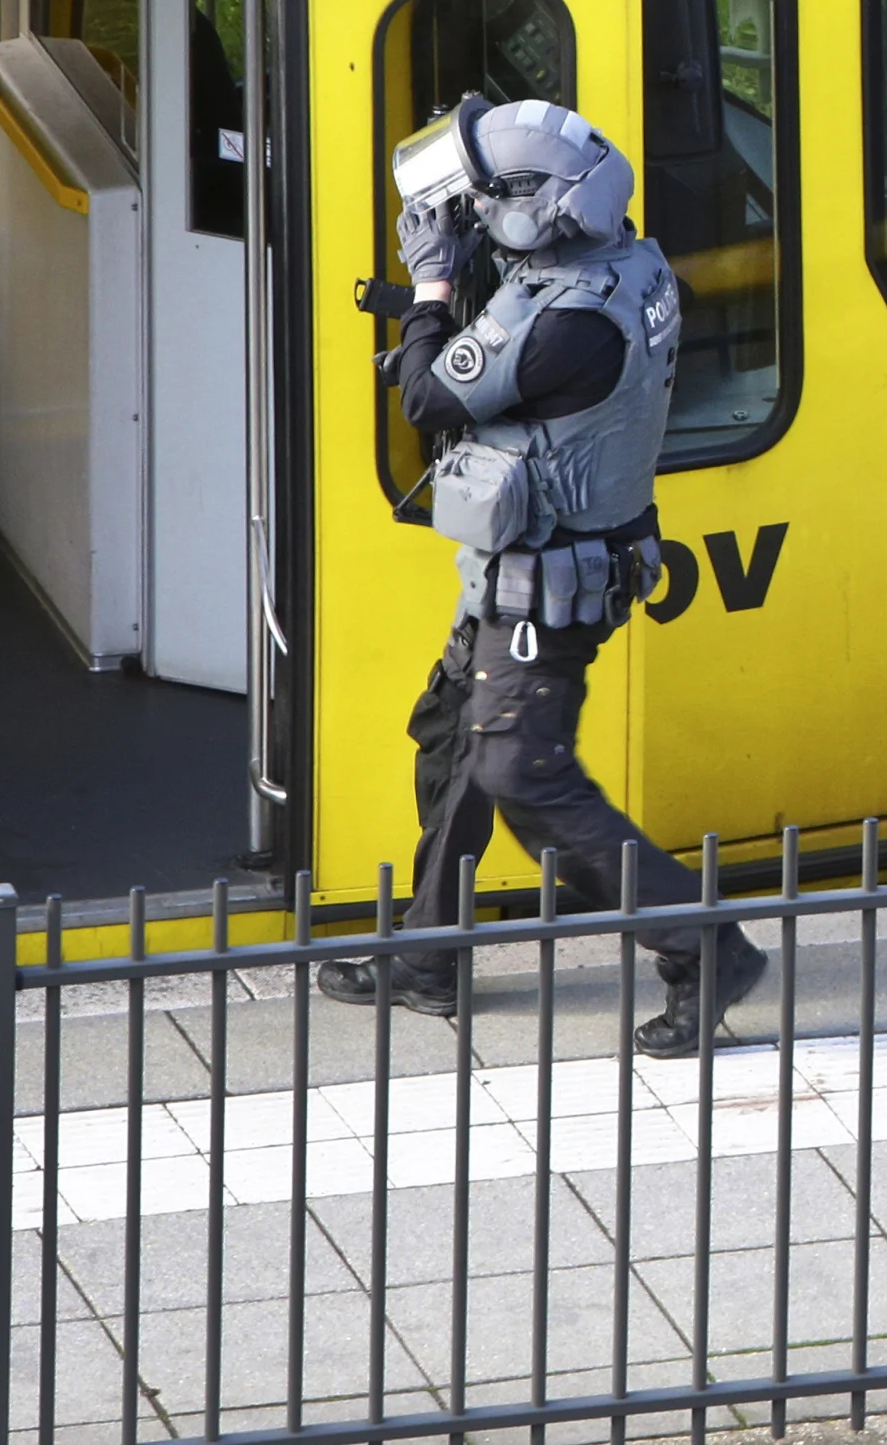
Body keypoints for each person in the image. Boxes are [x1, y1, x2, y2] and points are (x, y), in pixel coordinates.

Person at [318, 96, 766, 1058]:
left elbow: (432, 392)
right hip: (535, 562)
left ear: (540, 205)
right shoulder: (618, 263)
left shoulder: (571, 323)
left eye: (486, 201)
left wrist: (432, 288)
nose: (472, 217)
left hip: (547, 583)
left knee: (521, 767)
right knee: (455, 737)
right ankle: (430, 957)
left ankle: (707, 949)